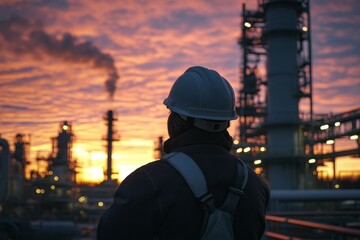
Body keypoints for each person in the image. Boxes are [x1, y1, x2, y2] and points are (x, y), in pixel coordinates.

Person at [97, 66, 270, 239]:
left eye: (172, 113)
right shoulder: (255, 186)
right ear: (227, 122)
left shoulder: (148, 182)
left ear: (177, 121)